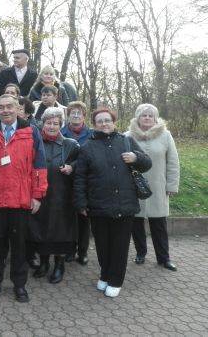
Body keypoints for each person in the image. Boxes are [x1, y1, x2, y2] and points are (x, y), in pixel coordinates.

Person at [0, 94, 48, 303]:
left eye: (9, 107)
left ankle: (19, 285)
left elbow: (39, 166)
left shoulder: (31, 132)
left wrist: (38, 194)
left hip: (21, 199)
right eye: (1, 107)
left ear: (17, 108)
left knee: (20, 246)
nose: (5, 111)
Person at [73, 108, 152, 298]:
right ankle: (105, 274)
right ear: (94, 124)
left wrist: (136, 157)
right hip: (98, 205)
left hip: (124, 204)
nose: (104, 124)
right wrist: (81, 203)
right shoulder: (87, 147)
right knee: (102, 245)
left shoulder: (126, 141)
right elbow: (80, 178)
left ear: (114, 122)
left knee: (119, 245)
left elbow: (147, 163)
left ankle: (116, 280)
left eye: (107, 120)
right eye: (99, 121)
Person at [28, 108, 80, 284]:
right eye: (48, 122)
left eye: (55, 123)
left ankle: (59, 266)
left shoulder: (71, 144)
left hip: (61, 195)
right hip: (39, 194)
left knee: (59, 231)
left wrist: (72, 167)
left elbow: (82, 164)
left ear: (61, 124)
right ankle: (43, 263)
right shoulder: (34, 142)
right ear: (43, 123)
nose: (51, 126)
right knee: (40, 229)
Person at [126, 104, 180, 271]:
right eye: (144, 115)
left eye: (151, 115)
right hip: (134, 187)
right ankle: (141, 253)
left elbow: (173, 162)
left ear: (156, 118)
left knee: (159, 224)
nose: (147, 118)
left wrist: (171, 185)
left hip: (158, 187)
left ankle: (164, 258)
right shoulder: (127, 136)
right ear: (137, 117)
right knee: (136, 222)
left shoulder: (166, 135)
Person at [61, 101, 93, 264]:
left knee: (83, 217)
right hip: (65, 180)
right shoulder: (61, 132)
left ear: (84, 116)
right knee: (68, 218)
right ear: (68, 115)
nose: (75, 115)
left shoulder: (92, 134)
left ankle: (83, 251)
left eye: (78, 113)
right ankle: (69, 250)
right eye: (72, 113)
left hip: (85, 180)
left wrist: (73, 166)